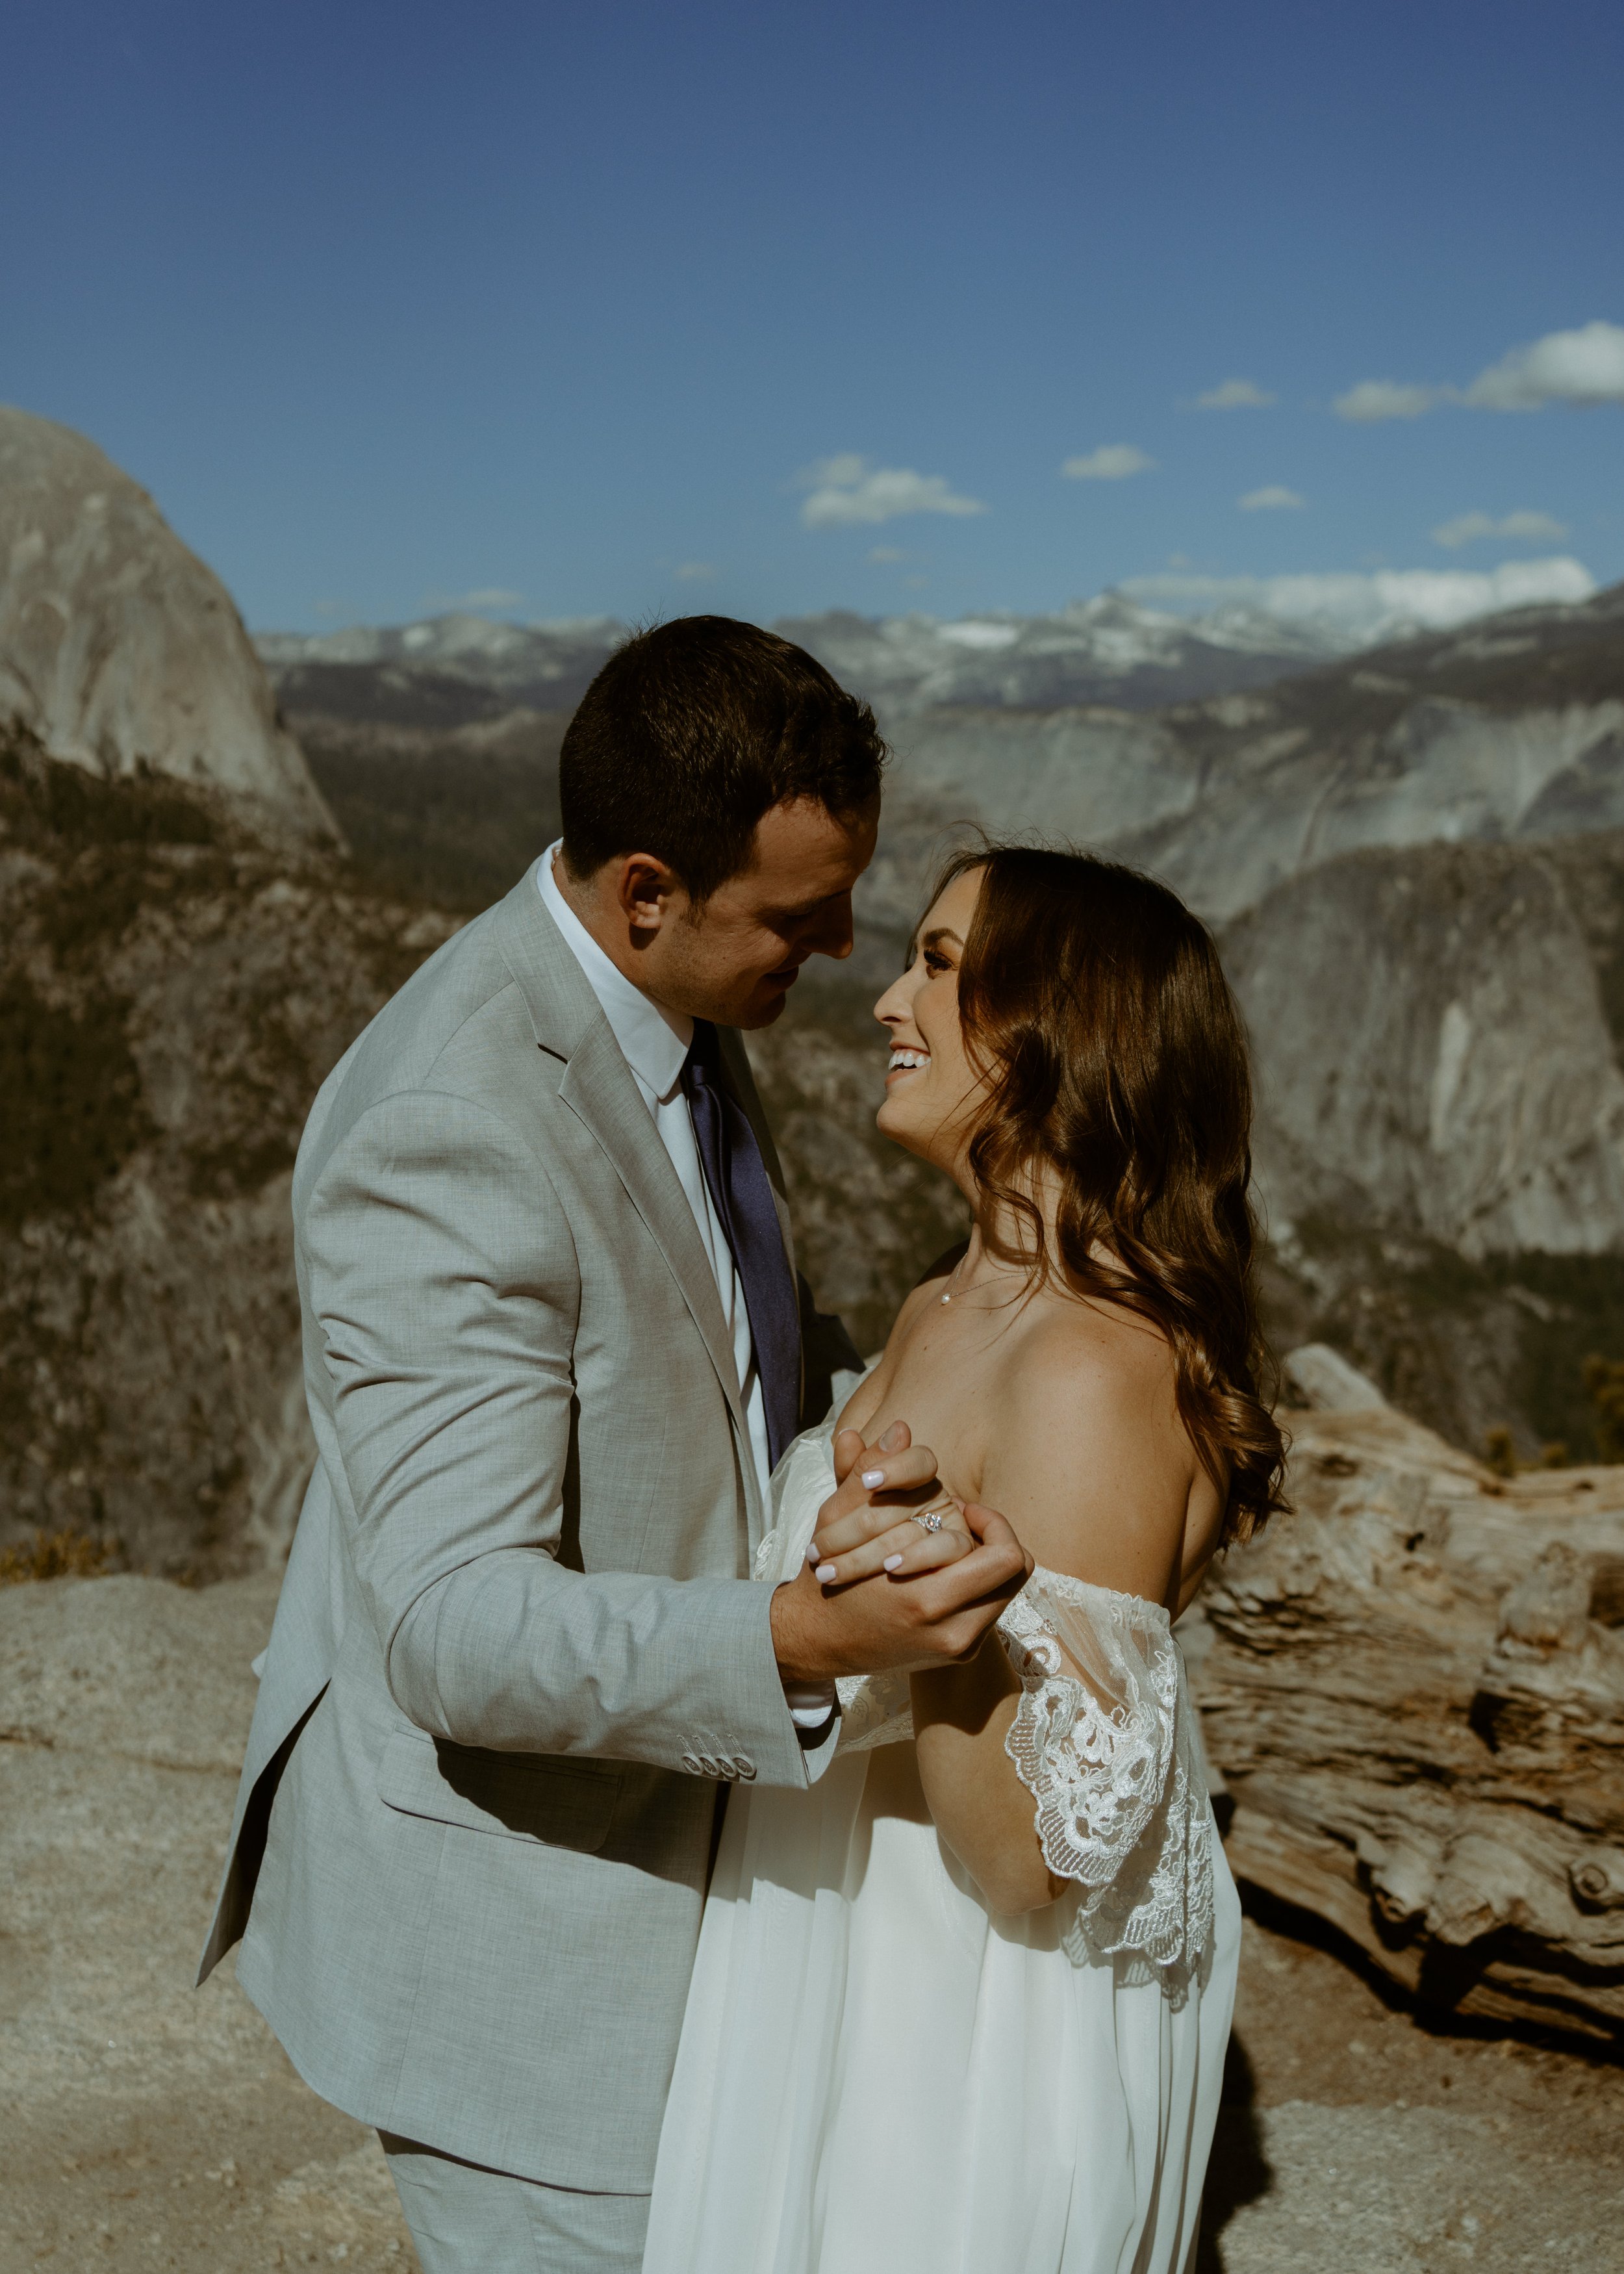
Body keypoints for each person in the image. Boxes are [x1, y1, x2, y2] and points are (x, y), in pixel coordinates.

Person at [196, 618, 1033, 2274]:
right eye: (799, 915)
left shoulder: (674, 1008)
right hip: (524, 1956)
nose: (848, 946)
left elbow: (694, 1371)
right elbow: (451, 1624)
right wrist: (796, 1639)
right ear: (646, 892)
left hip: (675, 1866)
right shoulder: (454, 1124)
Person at [642, 843, 1288, 2274]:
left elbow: (1023, 1866)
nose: (885, 998)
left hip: (957, 2028)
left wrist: (921, 1600)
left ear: (1066, 1024)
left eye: (938, 965)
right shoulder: (947, 1300)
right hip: (830, 1934)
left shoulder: (1091, 1366)